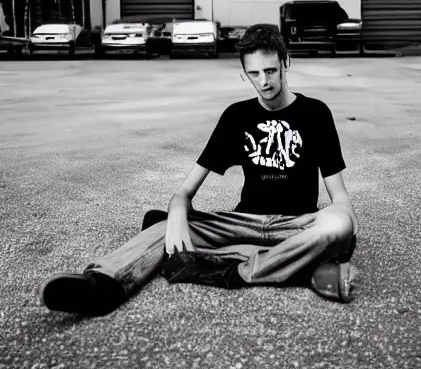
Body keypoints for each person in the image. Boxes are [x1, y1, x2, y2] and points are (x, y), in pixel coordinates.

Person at [39, 24, 358, 316]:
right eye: (254, 73)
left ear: (286, 63)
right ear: (244, 72)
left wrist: (343, 223)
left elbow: (339, 198)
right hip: (242, 222)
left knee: (338, 228)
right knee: (163, 226)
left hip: (297, 225)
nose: (263, 82)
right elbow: (185, 192)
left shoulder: (315, 114)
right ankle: (105, 285)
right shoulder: (237, 117)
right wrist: (177, 213)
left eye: (271, 71)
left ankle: (237, 269)